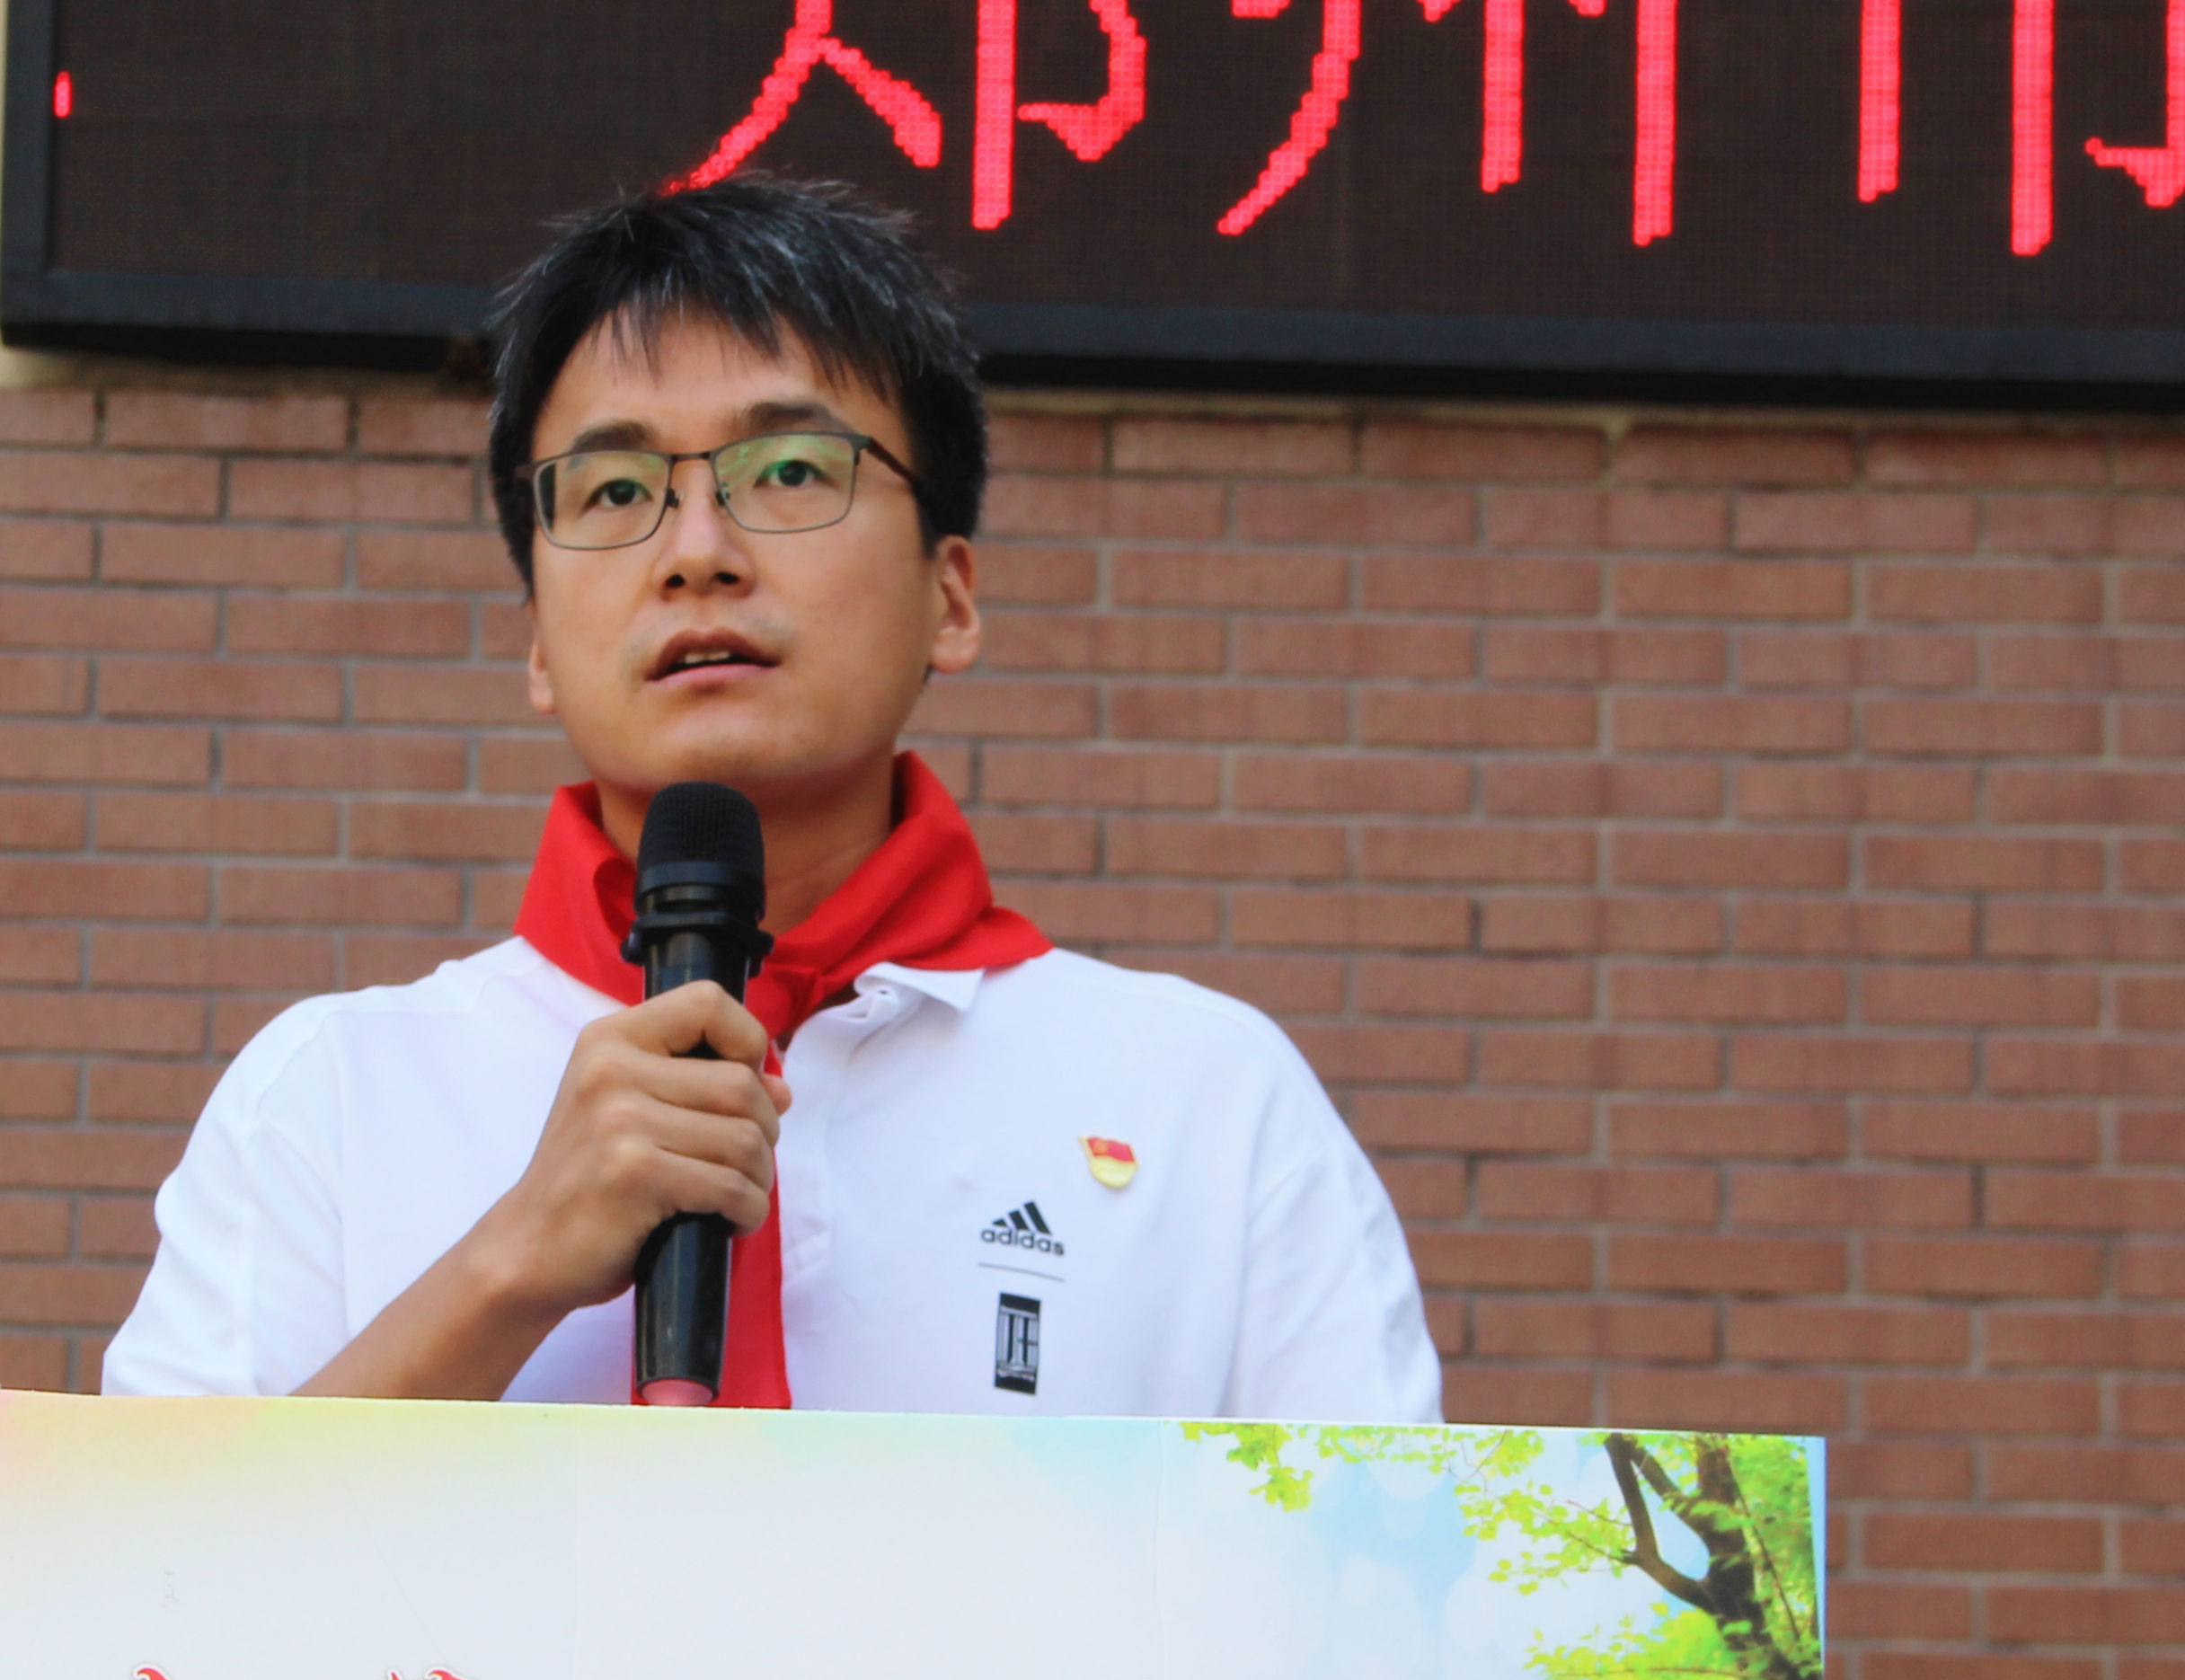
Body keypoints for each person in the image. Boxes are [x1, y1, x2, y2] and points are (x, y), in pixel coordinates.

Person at [102, 178, 1438, 1422]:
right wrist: (506, 1269)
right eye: (615, 489)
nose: (696, 552)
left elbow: (1382, 1586)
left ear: (950, 597)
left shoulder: (1207, 1102)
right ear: (536, 640)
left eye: (790, 470)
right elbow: (142, 1574)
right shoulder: (332, 1098)